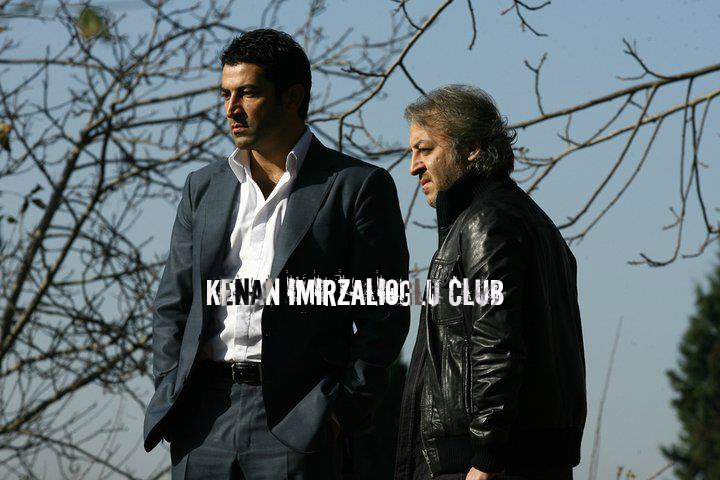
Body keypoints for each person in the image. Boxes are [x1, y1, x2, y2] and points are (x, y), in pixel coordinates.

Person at [143, 28, 410, 479]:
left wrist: (340, 412)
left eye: (247, 93)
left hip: (299, 418)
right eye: (226, 94)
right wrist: (171, 387)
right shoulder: (202, 187)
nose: (231, 108)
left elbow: (384, 312)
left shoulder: (356, 186)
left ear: (292, 98)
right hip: (201, 420)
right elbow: (174, 302)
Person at [394, 85, 586, 480]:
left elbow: (498, 344)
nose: (413, 167)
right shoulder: (533, 222)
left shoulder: (486, 223)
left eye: (425, 150)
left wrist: (487, 455)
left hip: (481, 465)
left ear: (472, 148)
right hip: (523, 458)